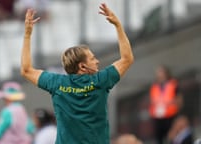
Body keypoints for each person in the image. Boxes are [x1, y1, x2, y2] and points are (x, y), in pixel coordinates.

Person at [21, 3, 134, 144]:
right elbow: (127, 58)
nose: (97, 61)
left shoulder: (57, 83)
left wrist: (27, 35)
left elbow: (26, 70)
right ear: (82, 66)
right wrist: (118, 26)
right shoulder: (101, 80)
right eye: (92, 59)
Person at [149, 65, 182, 144]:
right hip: (158, 116)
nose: (159, 74)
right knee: (158, 138)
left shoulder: (173, 84)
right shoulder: (154, 86)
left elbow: (179, 99)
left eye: (161, 72)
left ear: (166, 73)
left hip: (170, 116)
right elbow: (152, 100)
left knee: (171, 137)